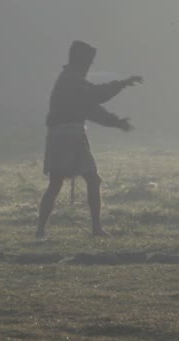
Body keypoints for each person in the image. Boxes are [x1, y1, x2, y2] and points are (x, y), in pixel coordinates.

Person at [36, 40, 143, 239]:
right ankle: (94, 228)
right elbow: (96, 97)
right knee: (88, 180)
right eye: (89, 61)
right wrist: (122, 85)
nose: (89, 66)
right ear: (81, 60)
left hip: (63, 135)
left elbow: (90, 108)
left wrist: (116, 122)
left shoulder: (70, 80)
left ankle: (42, 231)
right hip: (69, 135)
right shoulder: (72, 81)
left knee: (60, 183)